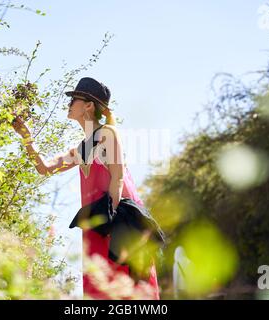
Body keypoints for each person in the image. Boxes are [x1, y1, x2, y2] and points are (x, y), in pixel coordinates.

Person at [12, 77, 160, 299]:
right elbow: (45, 168)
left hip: (118, 223)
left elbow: (117, 178)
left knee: (128, 287)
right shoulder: (81, 148)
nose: (69, 104)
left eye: (74, 99)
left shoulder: (108, 134)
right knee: (99, 287)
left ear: (88, 106)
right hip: (96, 225)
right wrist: (26, 138)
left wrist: (112, 222)